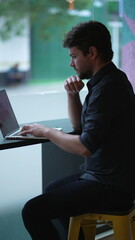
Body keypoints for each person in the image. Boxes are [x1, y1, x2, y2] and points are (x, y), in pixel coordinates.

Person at [20, 21, 135, 240]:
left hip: (112, 185)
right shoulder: (107, 81)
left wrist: (45, 131)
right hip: (109, 177)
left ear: (91, 52)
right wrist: (72, 95)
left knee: (32, 211)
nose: (71, 63)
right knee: (53, 189)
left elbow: (84, 147)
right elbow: (79, 128)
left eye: (74, 56)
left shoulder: (108, 88)